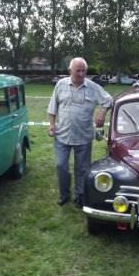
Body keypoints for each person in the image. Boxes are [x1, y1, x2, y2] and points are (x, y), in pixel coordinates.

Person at [47, 57, 113, 207]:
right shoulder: (60, 85)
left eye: (84, 70)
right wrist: (51, 125)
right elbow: (52, 108)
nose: (82, 74)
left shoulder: (92, 87)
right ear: (70, 71)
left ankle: (79, 195)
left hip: (83, 136)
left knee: (82, 169)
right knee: (61, 165)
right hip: (62, 135)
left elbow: (109, 100)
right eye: (78, 71)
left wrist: (102, 112)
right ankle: (64, 195)